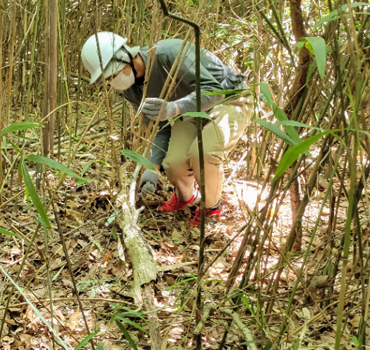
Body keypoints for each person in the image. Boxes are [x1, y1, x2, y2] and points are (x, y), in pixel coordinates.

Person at [81, 32, 252, 225]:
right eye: (108, 78)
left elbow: (213, 90)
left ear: (124, 57)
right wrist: (151, 169)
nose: (112, 81)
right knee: (174, 163)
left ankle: (211, 207)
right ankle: (186, 197)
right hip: (189, 111)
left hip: (227, 98)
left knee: (202, 153)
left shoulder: (168, 54)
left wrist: (175, 108)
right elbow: (157, 127)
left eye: (113, 74)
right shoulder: (131, 89)